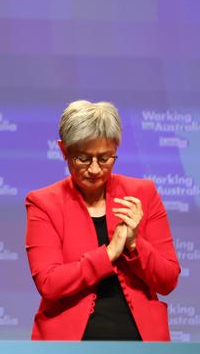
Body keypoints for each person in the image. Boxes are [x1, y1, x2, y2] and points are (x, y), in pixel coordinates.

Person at [25, 100, 180, 341]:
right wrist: (108, 254)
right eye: (83, 159)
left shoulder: (142, 193)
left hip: (140, 339)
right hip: (68, 342)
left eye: (105, 158)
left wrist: (133, 243)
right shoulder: (43, 203)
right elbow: (49, 283)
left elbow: (168, 280)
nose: (95, 169)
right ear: (63, 150)